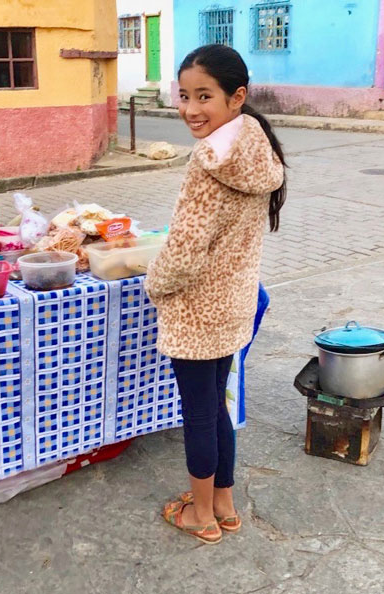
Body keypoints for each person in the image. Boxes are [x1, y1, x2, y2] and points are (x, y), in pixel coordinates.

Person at [144, 44, 287, 544]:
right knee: (216, 407)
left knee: (199, 413)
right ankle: (223, 505)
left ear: (236, 97)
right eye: (184, 96)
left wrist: (154, 284)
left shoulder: (209, 162)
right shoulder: (256, 147)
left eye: (204, 96)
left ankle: (200, 515)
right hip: (233, 304)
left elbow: (183, 254)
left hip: (197, 310)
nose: (190, 109)